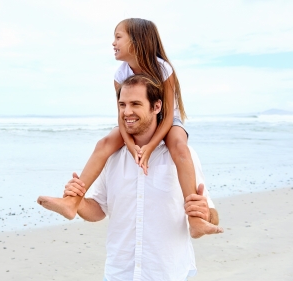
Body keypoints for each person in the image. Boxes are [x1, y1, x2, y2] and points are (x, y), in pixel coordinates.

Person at [38, 18, 219, 238]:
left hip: (169, 121)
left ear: (137, 41)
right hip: (134, 126)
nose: (113, 43)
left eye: (118, 37)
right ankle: (72, 201)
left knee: (180, 148)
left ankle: (196, 218)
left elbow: (169, 114)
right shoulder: (120, 75)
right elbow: (121, 117)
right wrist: (132, 146)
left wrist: (151, 146)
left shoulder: (162, 68)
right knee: (103, 144)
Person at [62, 74, 222, 280]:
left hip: (167, 274)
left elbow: (211, 213)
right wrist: (79, 200)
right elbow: (99, 210)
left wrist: (205, 214)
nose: (127, 112)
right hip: (118, 273)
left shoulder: (182, 157)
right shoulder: (112, 156)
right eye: (122, 104)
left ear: (156, 107)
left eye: (136, 104)